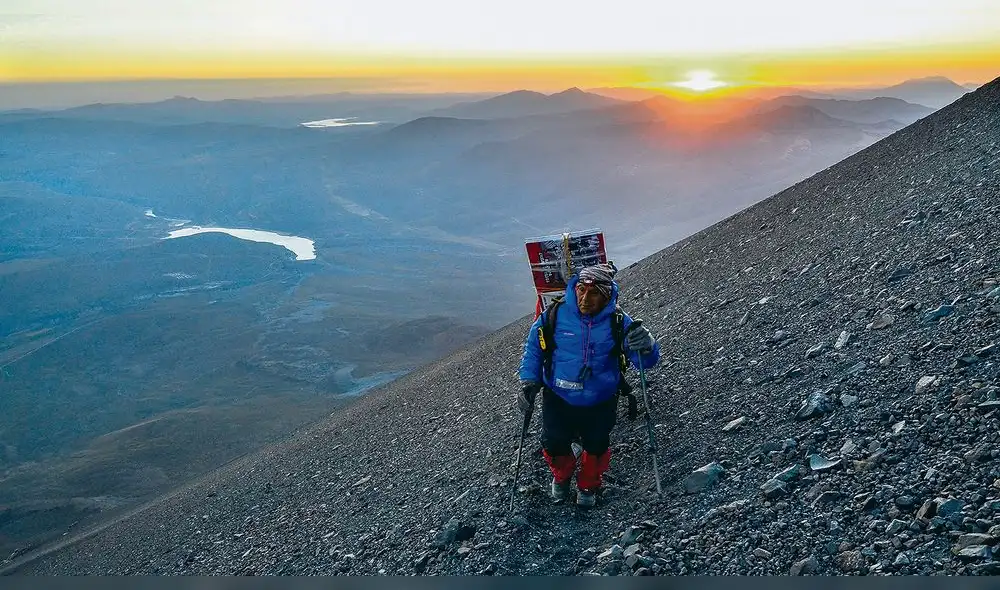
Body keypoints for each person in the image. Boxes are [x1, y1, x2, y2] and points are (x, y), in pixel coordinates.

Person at [517, 263, 660, 507]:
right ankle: (562, 476)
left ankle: (588, 485)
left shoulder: (619, 322)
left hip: (601, 398)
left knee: (596, 446)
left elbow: (644, 362)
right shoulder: (554, 315)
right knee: (553, 443)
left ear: (606, 295)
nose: (585, 298)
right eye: (581, 290)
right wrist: (529, 381)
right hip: (558, 396)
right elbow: (534, 349)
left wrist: (647, 346)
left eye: (593, 293)